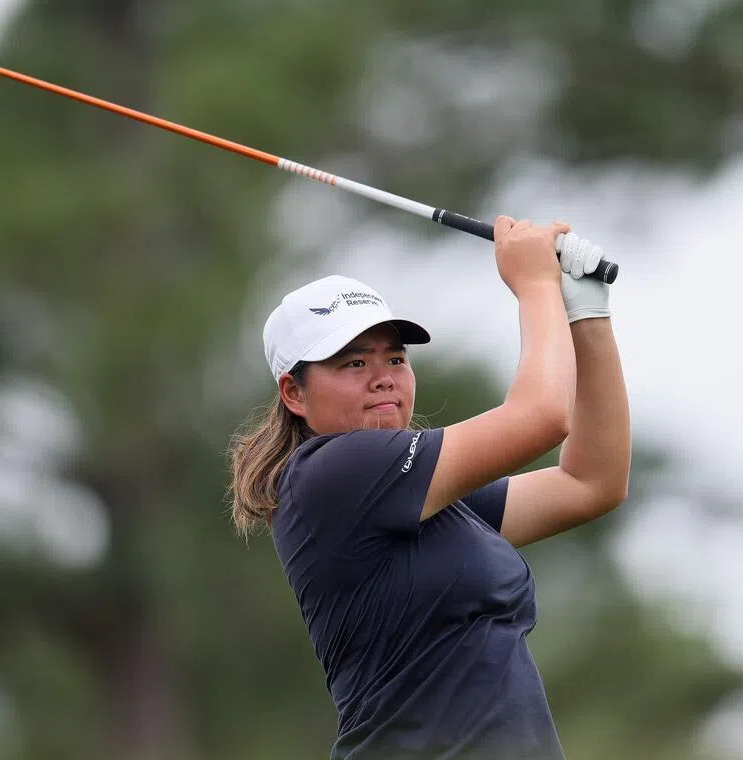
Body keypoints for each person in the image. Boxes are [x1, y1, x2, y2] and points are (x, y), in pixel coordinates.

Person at [228, 216, 631, 759]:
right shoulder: (333, 472)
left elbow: (590, 483)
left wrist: (587, 318)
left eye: (395, 358)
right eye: (354, 362)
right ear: (294, 394)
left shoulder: (426, 500)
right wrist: (537, 286)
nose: (383, 376)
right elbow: (541, 418)